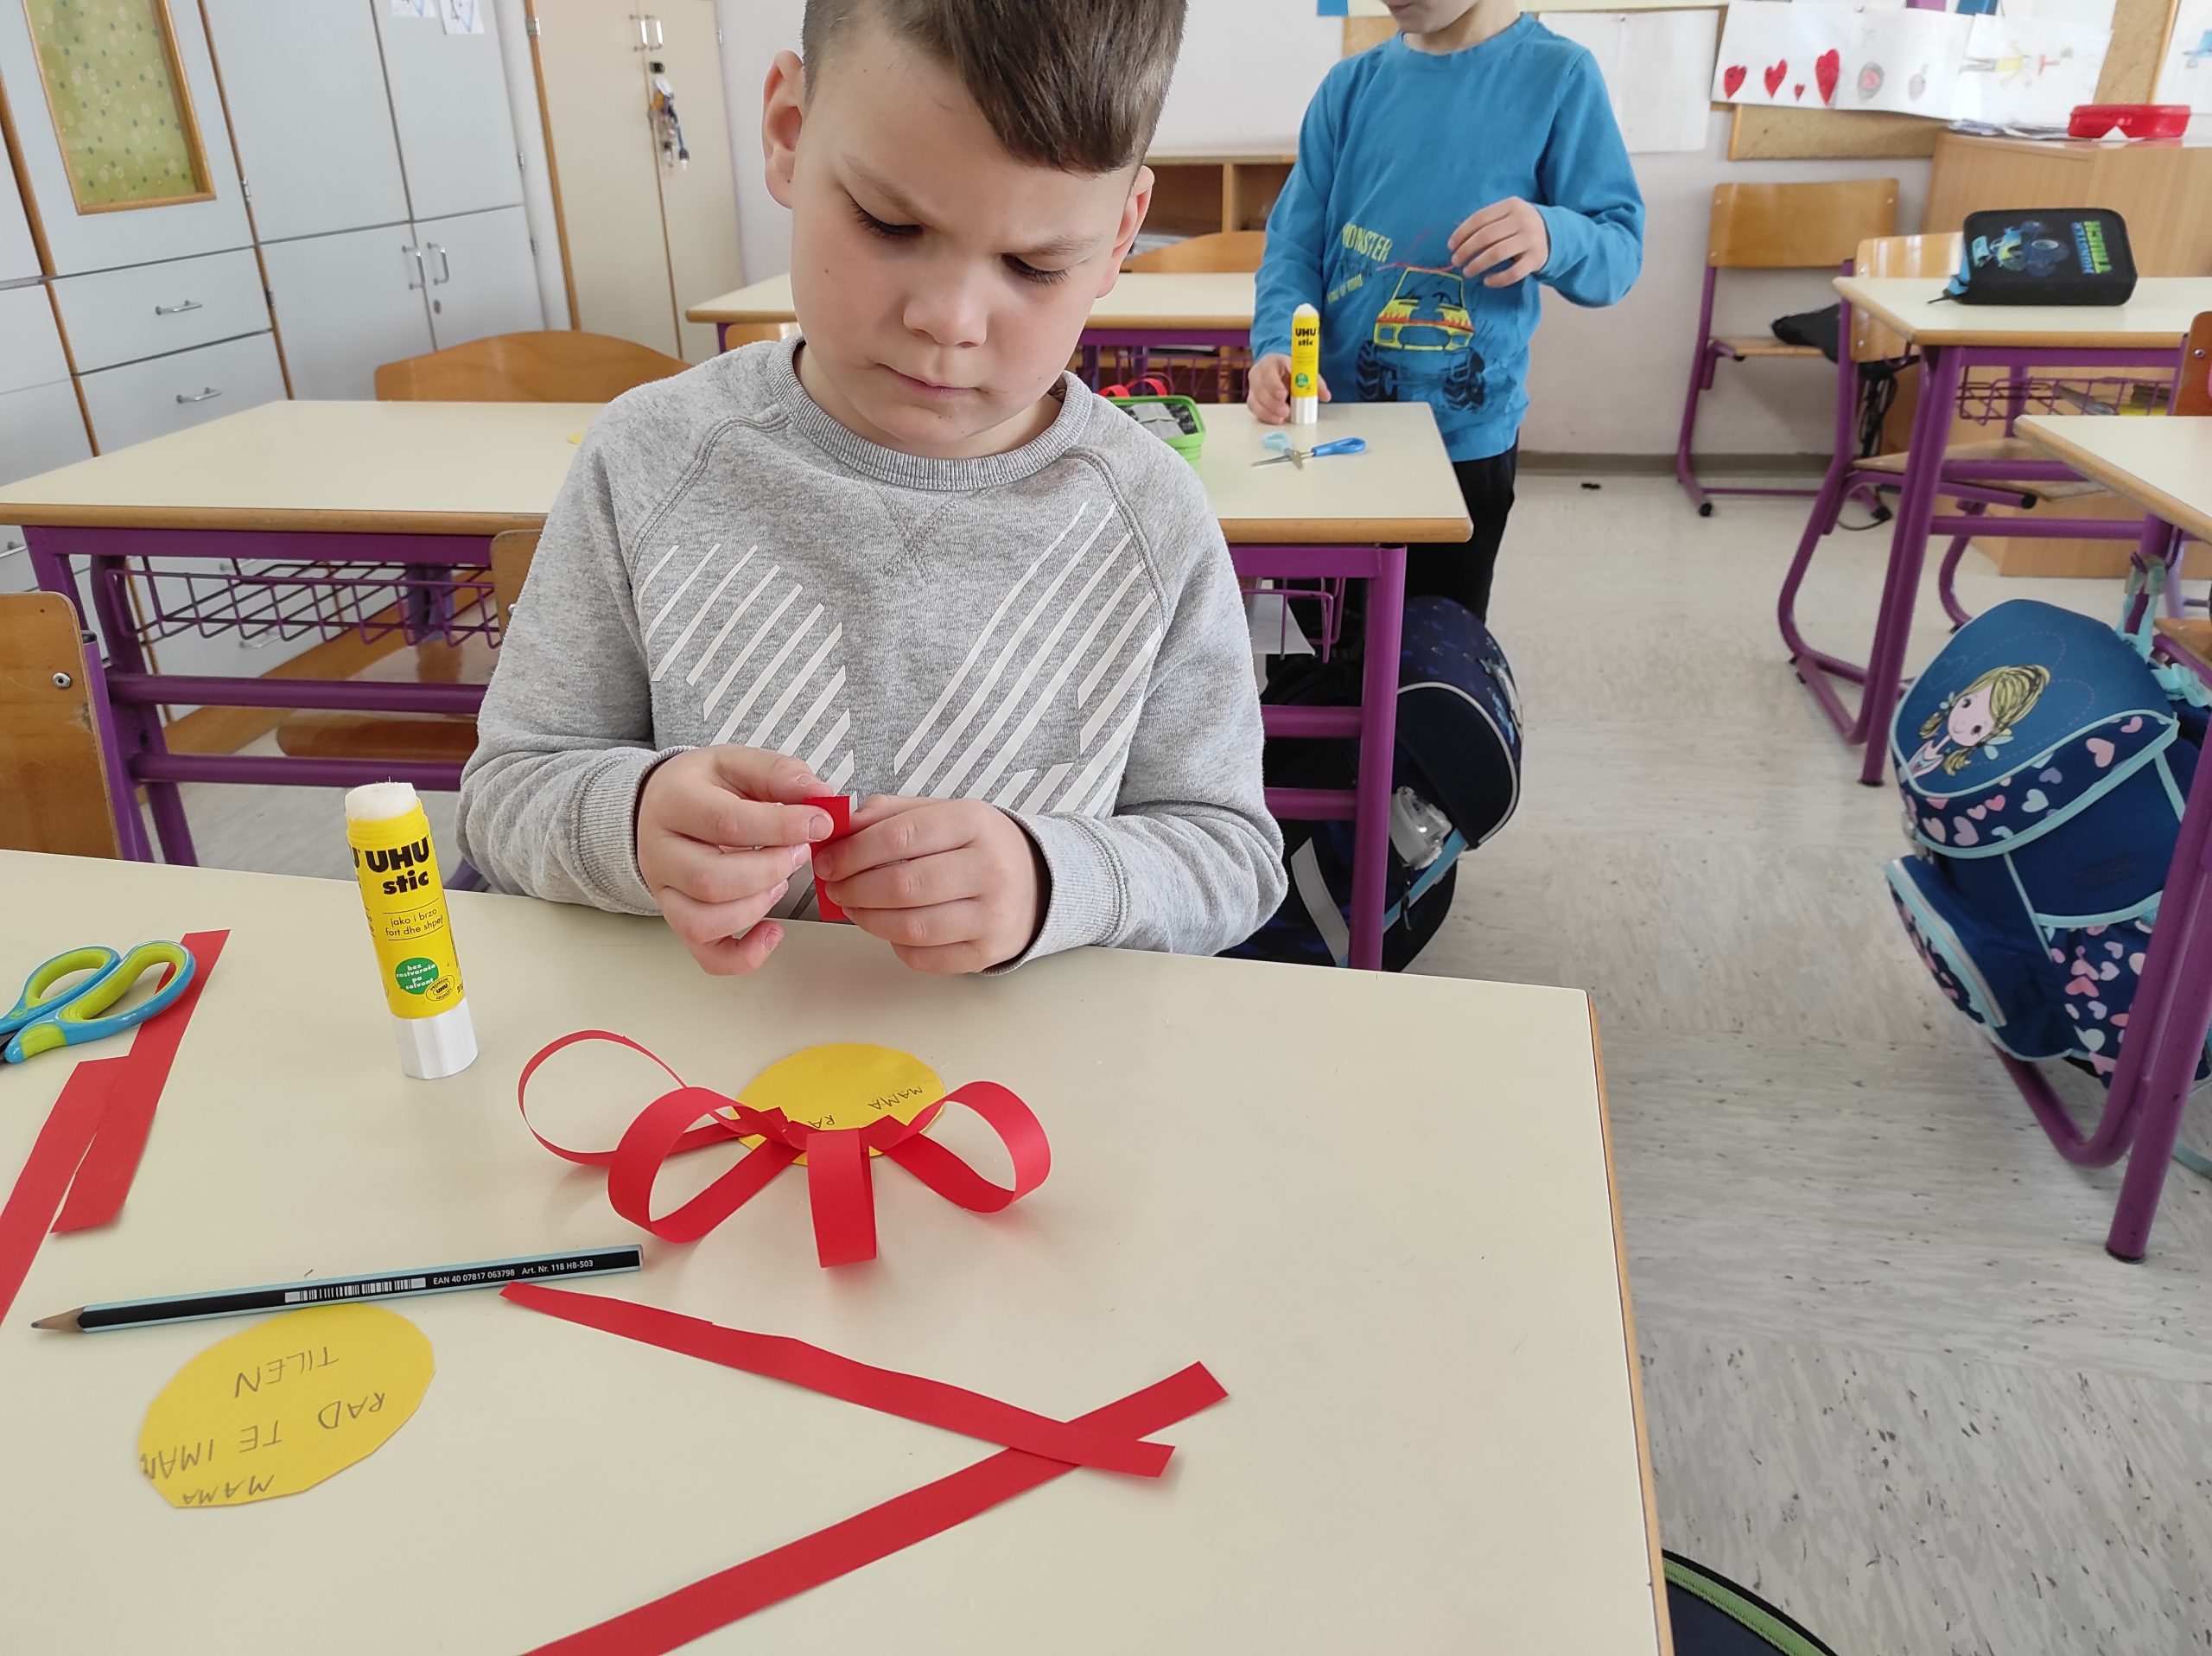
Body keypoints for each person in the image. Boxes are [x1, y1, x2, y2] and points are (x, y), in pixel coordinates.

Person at [458, 0, 1284, 977]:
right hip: (705, 1047)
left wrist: (1050, 878)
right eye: (890, 223)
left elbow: (1230, 858)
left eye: (1035, 264)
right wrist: (630, 823)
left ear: (1119, 236)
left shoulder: (1149, 516)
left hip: (1029, 1063)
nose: (950, 319)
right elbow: (506, 795)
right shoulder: (649, 457)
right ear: (789, 132)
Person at [1248, 0, 1645, 623]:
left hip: (1464, 445)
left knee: (1433, 650)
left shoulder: (1559, 75)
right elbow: (1293, 250)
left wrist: (1552, 235)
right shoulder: (1350, 87)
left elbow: (1619, 255)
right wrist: (1277, 344)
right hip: (1328, 431)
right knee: (1313, 644)